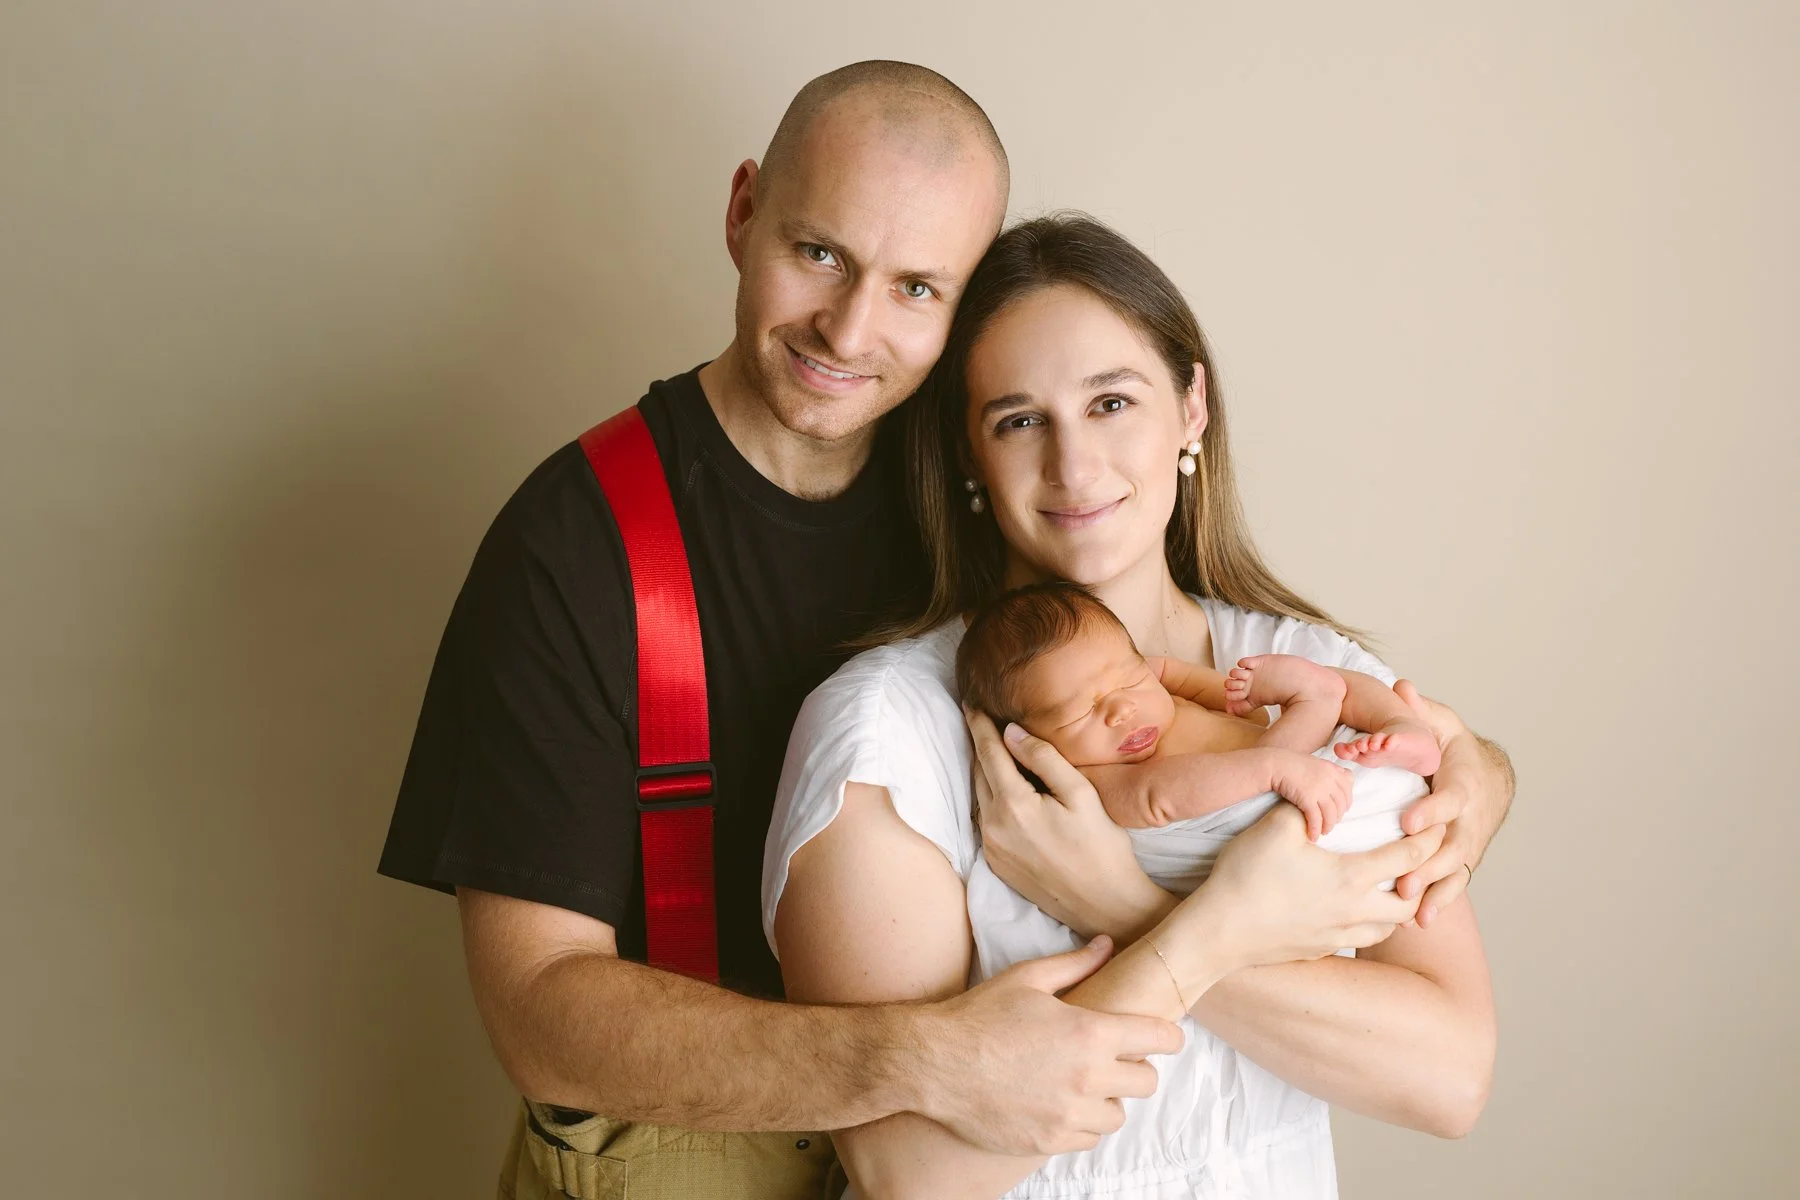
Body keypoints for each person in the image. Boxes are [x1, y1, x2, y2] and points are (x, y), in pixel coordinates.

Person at [377, 58, 1510, 1197]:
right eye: (819, 252)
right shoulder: (592, 551)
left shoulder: (1028, 541)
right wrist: (926, 1056)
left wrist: (1474, 766)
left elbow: (1450, 1067)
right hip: (693, 1153)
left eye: (918, 286)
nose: (851, 329)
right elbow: (538, 1009)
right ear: (742, 214)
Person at [765, 214, 1507, 1198]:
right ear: (968, 454)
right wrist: (1211, 931)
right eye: (1020, 419)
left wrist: (1123, 905)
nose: (1074, 466)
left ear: (1192, 407)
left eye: (1112, 401)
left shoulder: (1307, 673)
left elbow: (1450, 1078)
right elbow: (909, 1173)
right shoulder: (886, 735)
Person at [955, 579, 1441, 838]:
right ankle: (1316, 700)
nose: (1121, 710)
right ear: (1031, 744)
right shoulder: (1099, 781)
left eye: (1129, 676)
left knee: (1339, 683)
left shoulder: (1159, 701)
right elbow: (1157, 798)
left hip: (1286, 754)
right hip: (1262, 798)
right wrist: (1272, 767)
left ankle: (1404, 727)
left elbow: (1240, 709)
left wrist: (1229, 686)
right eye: (1078, 712)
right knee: (1321, 689)